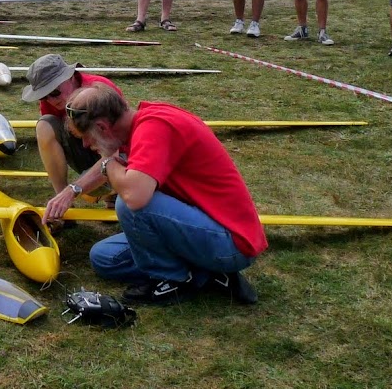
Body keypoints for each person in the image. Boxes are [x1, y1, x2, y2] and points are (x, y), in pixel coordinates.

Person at [62, 83, 266, 306]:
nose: (85, 144)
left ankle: (174, 280)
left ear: (102, 127)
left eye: (86, 136)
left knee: (128, 205)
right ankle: (207, 273)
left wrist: (109, 162)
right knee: (104, 258)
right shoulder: (142, 123)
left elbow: (135, 196)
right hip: (206, 227)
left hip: (232, 244)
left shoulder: (154, 128)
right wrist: (72, 190)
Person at [24, 54, 122, 226]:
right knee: (45, 125)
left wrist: (77, 187)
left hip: (117, 158)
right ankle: (61, 204)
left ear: (70, 77)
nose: (51, 100)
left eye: (54, 92)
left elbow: (119, 149)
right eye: (44, 96)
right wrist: (67, 193)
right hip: (89, 157)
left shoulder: (101, 91)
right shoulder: (51, 103)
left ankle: (114, 192)